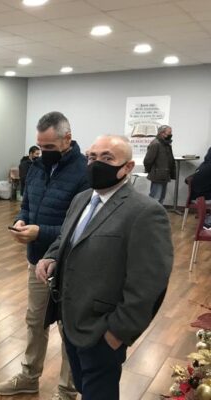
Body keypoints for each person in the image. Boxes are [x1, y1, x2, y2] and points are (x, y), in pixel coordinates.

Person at [37, 135, 173, 400]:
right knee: (82, 384)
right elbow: (66, 238)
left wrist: (117, 333)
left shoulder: (145, 212)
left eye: (108, 158)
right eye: (92, 157)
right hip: (71, 319)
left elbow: (150, 283)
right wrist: (51, 256)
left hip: (103, 330)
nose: (96, 163)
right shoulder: (82, 199)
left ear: (128, 167)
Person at [0, 111, 88, 400]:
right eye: (39, 146)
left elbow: (81, 225)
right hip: (36, 263)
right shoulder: (35, 168)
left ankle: (67, 391)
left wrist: (40, 232)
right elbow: (27, 205)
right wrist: (22, 220)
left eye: (49, 147)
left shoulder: (84, 173)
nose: (43, 153)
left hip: (70, 266)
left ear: (67, 139)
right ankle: (28, 377)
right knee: (35, 322)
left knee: (69, 328)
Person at [143, 125, 176, 204]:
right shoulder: (155, 144)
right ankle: (151, 215)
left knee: (161, 197)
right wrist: (149, 171)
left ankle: (158, 215)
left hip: (164, 174)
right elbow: (147, 160)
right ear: (162, 133)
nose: (171, 134)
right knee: (155, 198)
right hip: (157, 175)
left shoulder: (166, 144)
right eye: (169, 132)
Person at [189, 146, 211, 228]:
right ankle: (208, 223)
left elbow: (187, 180)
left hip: (196, 196)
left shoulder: (203, 165)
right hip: (203, 198)